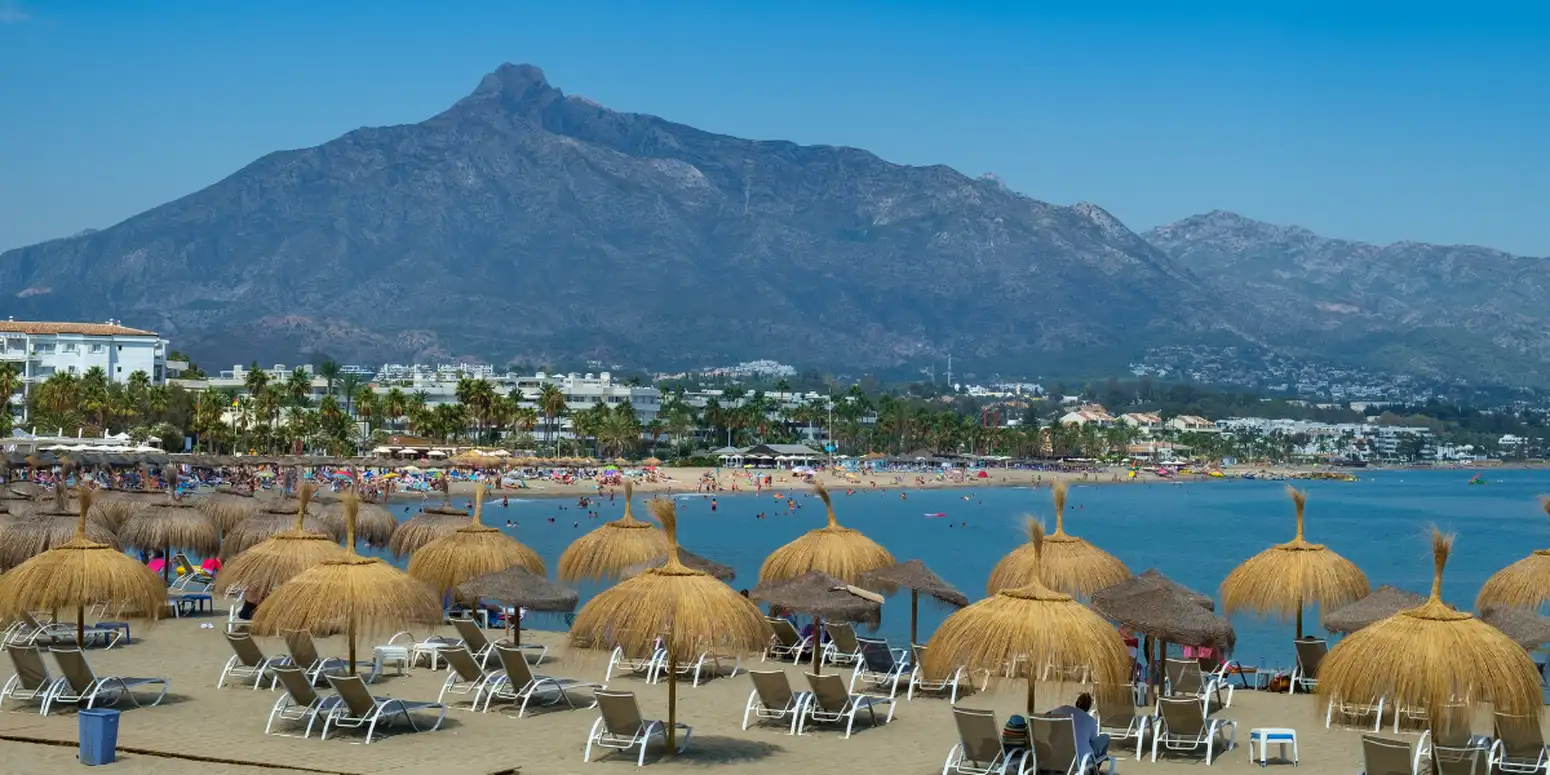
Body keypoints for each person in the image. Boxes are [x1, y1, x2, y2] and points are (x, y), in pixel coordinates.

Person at [1049, 693, 1109, 764]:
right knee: (1106, 737)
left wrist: (1053, 730)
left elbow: (1047, 714)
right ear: (1089, 707)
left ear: (1076, 703)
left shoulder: (1063, 709)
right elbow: (1093, 741)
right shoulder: (1090, 720)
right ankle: (1095, 767)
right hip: (1080, 761)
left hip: (1057, 756)